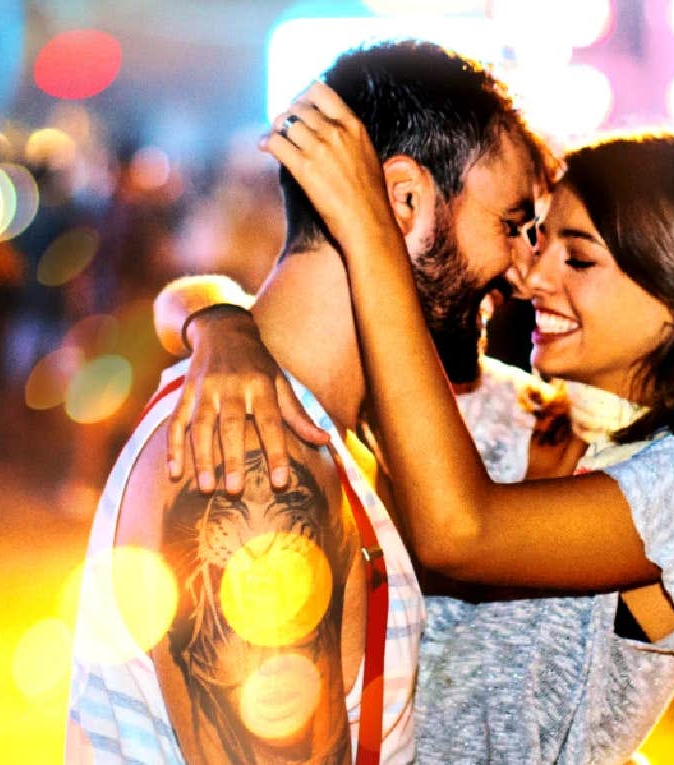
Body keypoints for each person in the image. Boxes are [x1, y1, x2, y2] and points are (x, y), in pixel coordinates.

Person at [170, 85, 674, 762]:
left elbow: (459, 530)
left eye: (578, 257)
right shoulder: (497, 406)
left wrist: (372, 232)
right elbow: (256, 305)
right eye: (537, 240)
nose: (531, 276)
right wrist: (220, 324)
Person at [64, 40, 555, 764]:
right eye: (512, 225)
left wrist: (212, 314)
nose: (522, 271)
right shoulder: (255, 458)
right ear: (403, 200)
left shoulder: (314, 428)